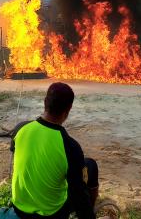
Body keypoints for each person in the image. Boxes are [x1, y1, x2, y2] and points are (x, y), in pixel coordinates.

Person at [10, 82, 98, 219]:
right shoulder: (70, 146)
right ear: (68, 109)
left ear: (45, 102)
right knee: (91, 166)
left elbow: (20, 154)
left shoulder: (20, 129)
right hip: (51, 214)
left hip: (19, 207)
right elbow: (78, 195)